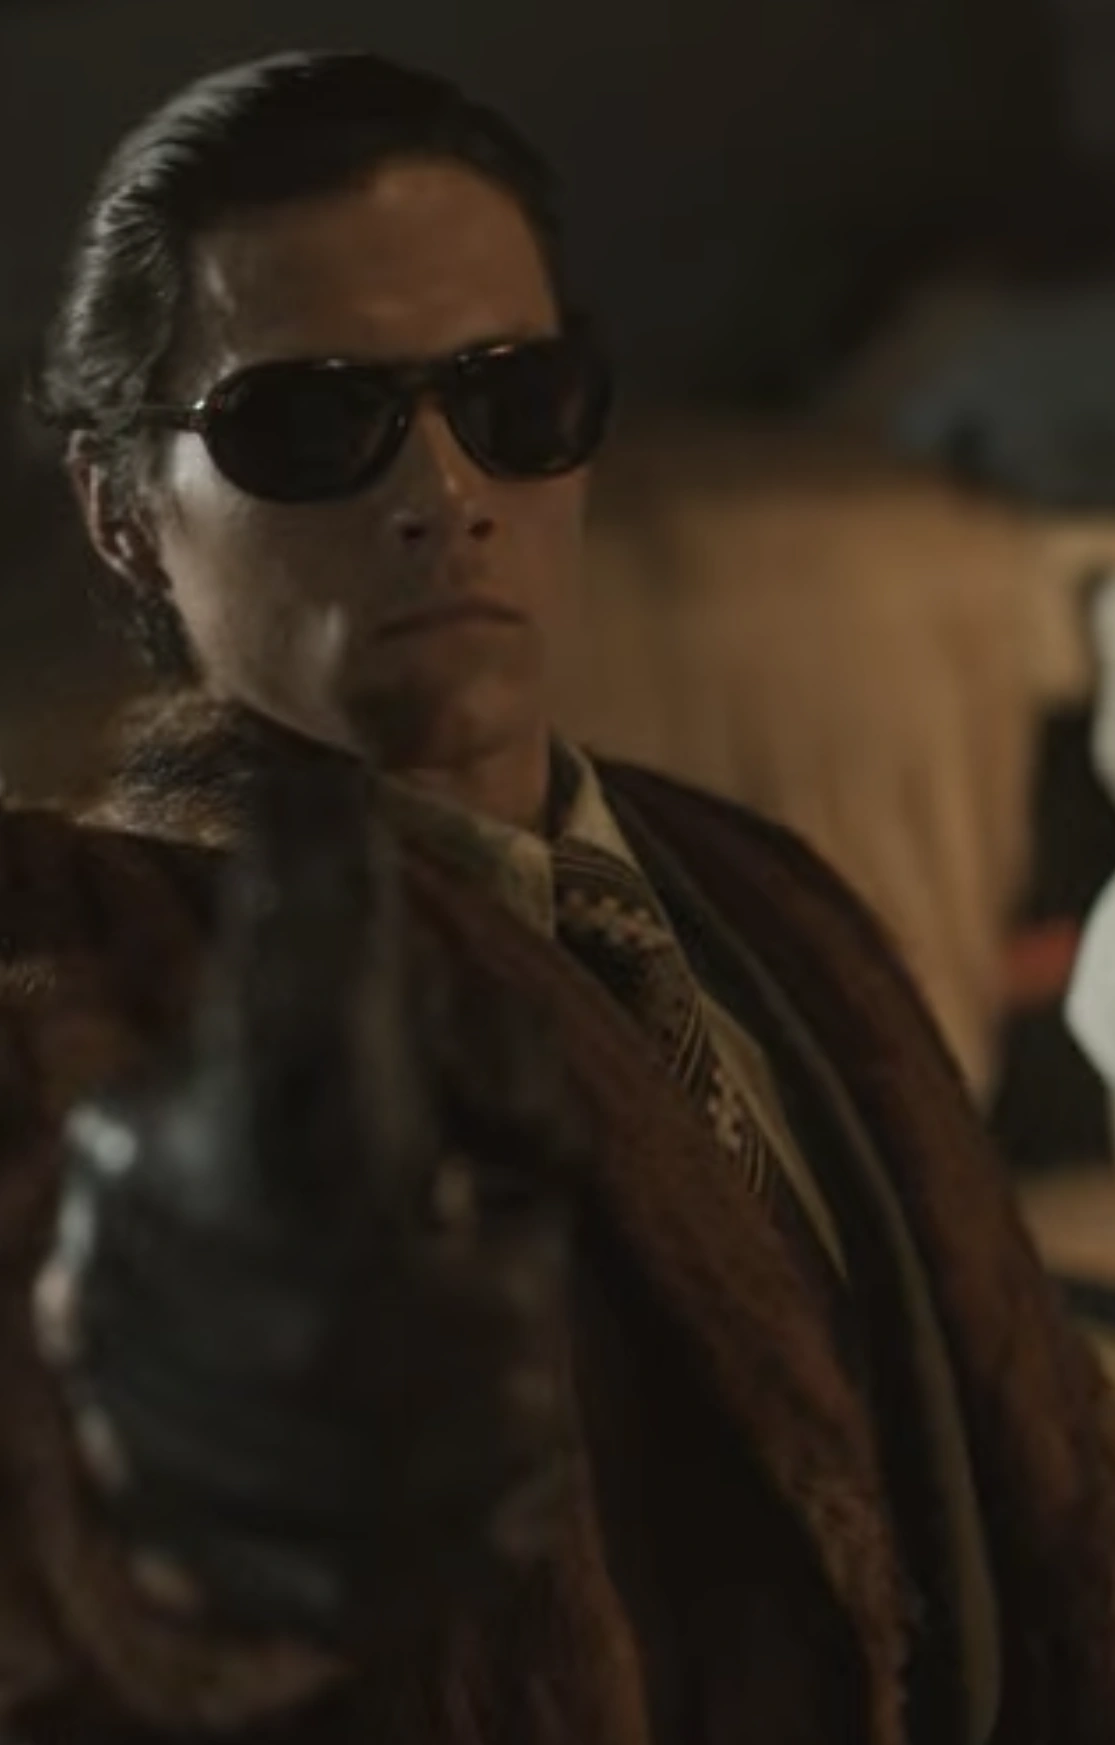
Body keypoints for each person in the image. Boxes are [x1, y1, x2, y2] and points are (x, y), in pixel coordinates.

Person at [0, 49, 1112, 1745]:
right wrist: (159, 1476)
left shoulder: (759, 889)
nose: (444, 495)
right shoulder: (93, 976)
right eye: (310, 427)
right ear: (125, 518)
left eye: (513, 399)